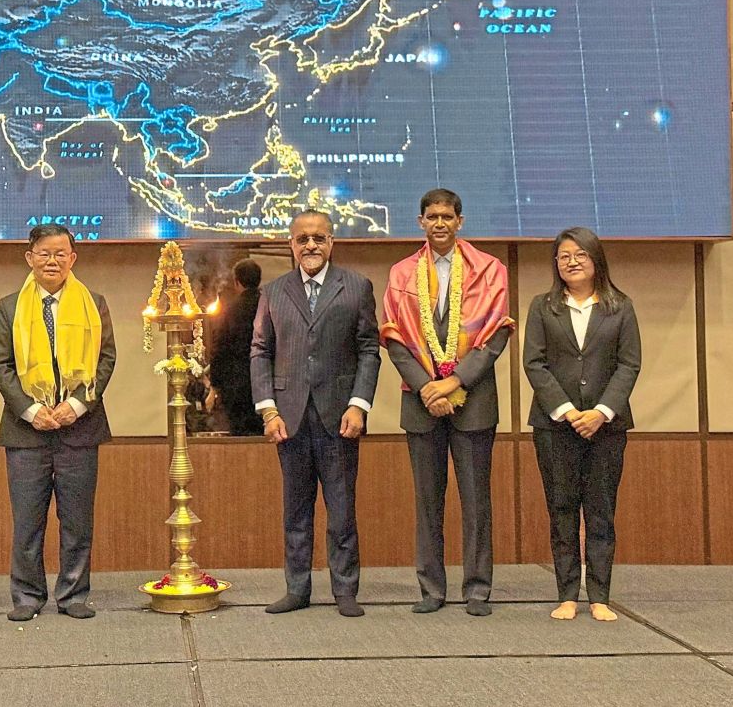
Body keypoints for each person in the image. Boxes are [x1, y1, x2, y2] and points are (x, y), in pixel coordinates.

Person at [381, 188, 513, 617]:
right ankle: (431, 589)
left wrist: (455, 381)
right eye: (431, 216)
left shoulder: (490, 270)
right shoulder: (402, 273)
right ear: (420, 222)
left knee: (476, 501)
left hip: (473, 401)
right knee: (427, 501)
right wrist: (426, 388)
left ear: (460, 221)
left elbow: (495, 337)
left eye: (446, 216)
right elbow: (394, 339)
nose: (439, 223)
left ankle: (477, 589)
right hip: (421, 403)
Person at [251, 209, 380, 617]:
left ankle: (345, 590)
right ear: (291, 244)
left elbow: (369, 351)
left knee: (341, 509)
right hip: (288, 418)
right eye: (303, 238)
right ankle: (297, 588)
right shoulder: (272, 292)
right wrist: (268, 410)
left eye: (318, 238)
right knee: (296, 509)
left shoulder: (357, 287)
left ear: (331, 243)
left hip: (341, 416)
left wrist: (359, 405)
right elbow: (260, 352)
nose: (311, 245)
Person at [0, 223, 116, 622]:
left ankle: (73, 593)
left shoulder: (94, 303)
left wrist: (77, 406)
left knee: (77, 519)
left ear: (72, 259)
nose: (52, 261)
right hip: (26, 432)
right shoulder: (9, 307)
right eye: (44, 253)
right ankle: (27, 597)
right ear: (30, 259)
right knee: (28, 520)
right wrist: (32, 410)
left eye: (61, 253)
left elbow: (106, 360)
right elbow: (1, 365)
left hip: (79, 429)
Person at [523, 226, 640, 622]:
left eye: (580, 255)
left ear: (595, 260)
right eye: (564, 256)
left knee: (601, 511)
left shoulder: (620, 306)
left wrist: (601, 412)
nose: (571, 262)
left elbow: (629, 364)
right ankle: (568, 594)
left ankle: (601, 596)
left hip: (607, 427)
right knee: (562, 509)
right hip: (556, 426)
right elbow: (534, 363)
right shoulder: (543, 306)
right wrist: (568, 411)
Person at [208, 259, 264, 436]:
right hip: (267, 382)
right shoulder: (271, 306)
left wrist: (215, 386)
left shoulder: (230, 311)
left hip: (236, 384)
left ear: (237, 282)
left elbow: (219, 349)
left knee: (240, 434)